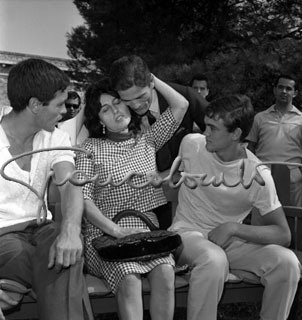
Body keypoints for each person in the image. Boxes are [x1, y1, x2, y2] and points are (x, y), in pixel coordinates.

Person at [169, 94, 301, 320]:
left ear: (236, 134)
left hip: (230, 243)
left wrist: (234, 228)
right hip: (186, 235)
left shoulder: (257, 175)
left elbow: (283, 234)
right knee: (213, 259)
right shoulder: (191, 144)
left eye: (213, 128)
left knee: (287, 262)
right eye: (206, 125)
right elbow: (171, 182)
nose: (205, 133)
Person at [75, 75, 188, 320]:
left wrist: (148, 79)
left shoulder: (147, 140)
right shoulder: (89, 148)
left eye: (118, 101)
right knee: (128, 275)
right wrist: (115, 231)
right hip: (104, 237)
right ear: (98, 120)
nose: (115, 110)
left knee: (166, 271)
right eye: (105, 109)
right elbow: (83, 201)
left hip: (148, 233)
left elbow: (181, 105)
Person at [0, 59, 93, 320]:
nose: (65, 112)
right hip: (4, 238)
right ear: (34, 105)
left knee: (64, 246)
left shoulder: (56, 136)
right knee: (33, 258)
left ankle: (11, 285)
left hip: (41, 231)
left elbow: (70, 183)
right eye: (60, 104)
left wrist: (72, 232)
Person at [110, 55, 209, 173]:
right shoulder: (119, 115)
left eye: (141, 96)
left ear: (151, 82)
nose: (136, 105)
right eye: (127, 100)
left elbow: (220, 129)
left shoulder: (186, 95)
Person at [246, 74, 302, 206]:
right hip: (263, 176)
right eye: (280, 87)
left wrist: (301, 172)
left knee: (292, 219)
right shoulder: (260, 118)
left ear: (295, 93)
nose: (284, 91)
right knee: (261, 217)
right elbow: (250, 146)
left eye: (288, 88)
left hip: (292, 177)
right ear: (274, 90)